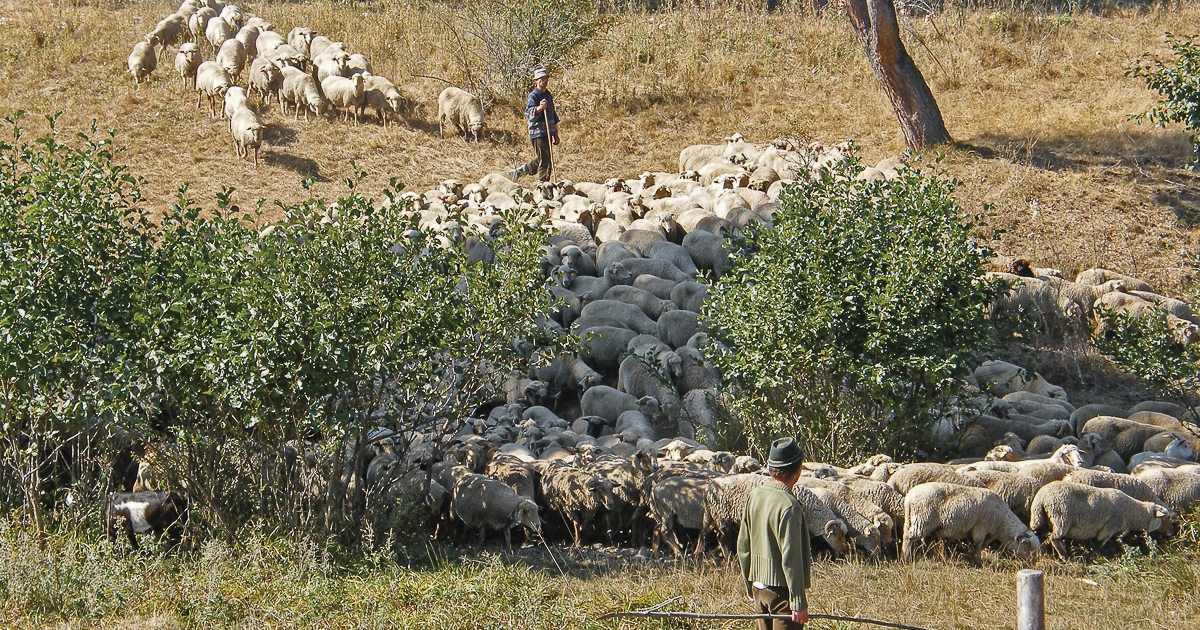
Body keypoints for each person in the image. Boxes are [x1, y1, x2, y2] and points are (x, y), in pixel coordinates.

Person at [737, 437, 812, 630]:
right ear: (798, 469)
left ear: (772, 468)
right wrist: (798, 602)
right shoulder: (789, 506)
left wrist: (749, 584)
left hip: (758, 588)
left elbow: (743, 545)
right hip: (781, 594)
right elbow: (791, 559)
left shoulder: (755, 495)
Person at [508, 67, 560, 182]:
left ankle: (521, 171)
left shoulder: (548, 95)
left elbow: (553, 114)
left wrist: (555, 133)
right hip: (538, 132)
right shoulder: (533, 96)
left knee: (543, 157)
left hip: (548, 131)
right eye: (541, 79)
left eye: (546, 78)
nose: (544, 81)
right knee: (545, 159)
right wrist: (539, 108)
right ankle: (544, 183)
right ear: (536, 81)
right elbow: (528, 113)